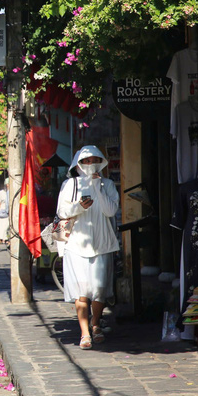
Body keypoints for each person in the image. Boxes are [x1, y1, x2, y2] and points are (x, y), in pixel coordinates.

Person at [56, 145, 119, 350]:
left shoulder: (107, 184)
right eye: (86, 161)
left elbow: (110, 211)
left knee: (100, 288)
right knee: (81, 289)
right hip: (76, 244)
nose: (90, 164)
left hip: (102, 242)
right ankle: (84, 332)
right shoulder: (70, 184)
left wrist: (98, 188)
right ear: (78, 164)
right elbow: (62, 211)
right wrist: (79, 207)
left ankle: (96, 323)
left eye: (94, 160)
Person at [0, 182, 10, 251]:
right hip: (3, 213)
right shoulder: (1, 192)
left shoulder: (12, 192)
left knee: (9, 229)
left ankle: (9, 243)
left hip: (10, 213)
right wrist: (0, 210)